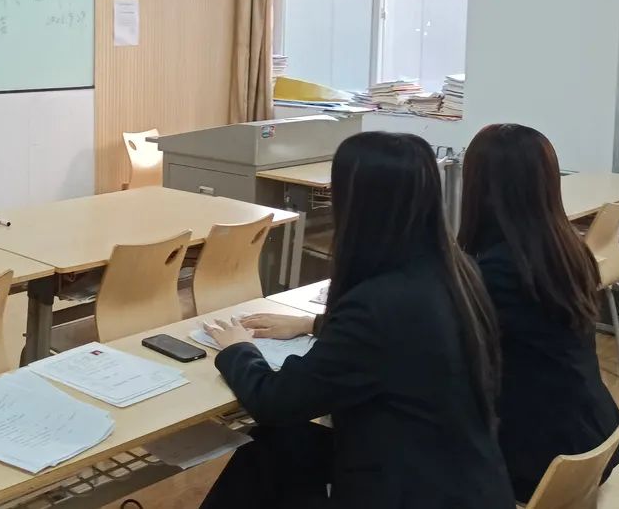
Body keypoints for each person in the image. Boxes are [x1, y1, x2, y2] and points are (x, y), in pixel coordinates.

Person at [200, 132, 514, 509]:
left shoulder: (377, 304)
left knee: (273, 446)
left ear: (359, 203)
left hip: (412, 492)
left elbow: (276, 401)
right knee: (274, 449)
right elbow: (399, 339)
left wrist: (239, 349)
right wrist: (313, 325)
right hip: (466, 481)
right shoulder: (458, 273)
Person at [457, 123, 619, 502]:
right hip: (593, 432)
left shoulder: (497, 271)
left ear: (479, 188)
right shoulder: (569, 250)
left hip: (543, 461)